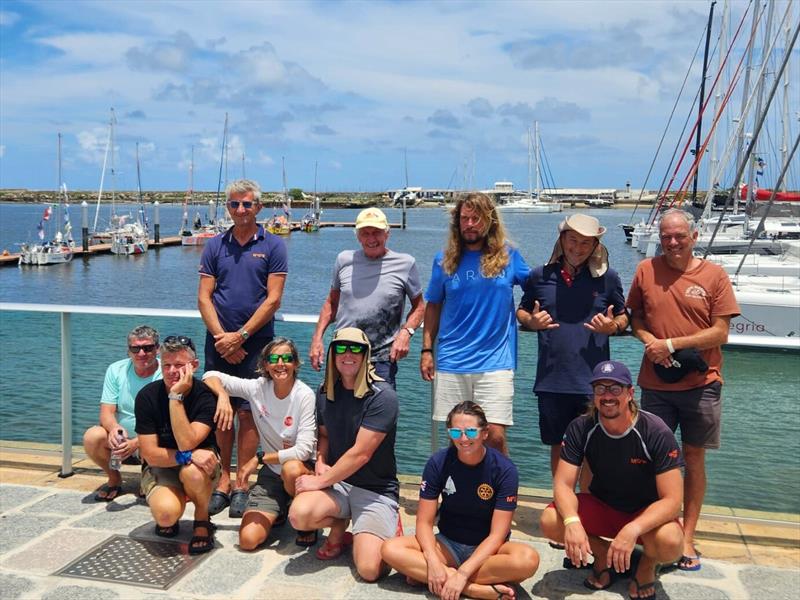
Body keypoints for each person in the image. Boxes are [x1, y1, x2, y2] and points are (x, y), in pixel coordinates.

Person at [627, 208, 739, 572]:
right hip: (655, 385)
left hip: (702, 383)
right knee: (652, 461)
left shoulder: (714, 274)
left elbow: (720, 332)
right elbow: (636, 319)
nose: (672, 243)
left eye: (679, 236)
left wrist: (671, 344)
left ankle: (687, 534)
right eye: (665, 237)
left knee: (693, 458)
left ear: (693, 235)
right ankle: (654, 531)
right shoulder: (646, 270)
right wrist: (649, 342)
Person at [540, 360, 684, 600]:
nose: (607, 396)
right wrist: (572, 522)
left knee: (670, 543)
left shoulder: (655, 431)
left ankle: (647, 563)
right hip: (604, 506)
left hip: (645, 513)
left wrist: (633, 529)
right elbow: (563, 484)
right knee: (550, 521)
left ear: (630, 393)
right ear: (593, 394)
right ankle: (602, 554)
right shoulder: (581, 427)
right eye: (600, 389)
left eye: (615, 388)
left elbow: (673, 500)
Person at [382, 401, 539, 600]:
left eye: (471, 432)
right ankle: (475, 589)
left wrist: (463, 573)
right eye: (456, 433)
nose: (464, 439)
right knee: (390, 549)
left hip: (488, 551)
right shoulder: (438, 462)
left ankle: (437, 577)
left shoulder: (505, 470)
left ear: (485, 433)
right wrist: (432, 560)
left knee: (528, 559)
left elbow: (497, 536)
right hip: (447, 544)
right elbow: (423, 522)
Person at [198, 178, 288, 518]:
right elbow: (204, 297)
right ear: (228, 208)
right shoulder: (214, 245)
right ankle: (222, 482)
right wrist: (223, 337)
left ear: (258, 207)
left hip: (257, 342)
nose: (240, 210)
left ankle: (241, 484)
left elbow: (273, 299)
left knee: (249, 413)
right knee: (222, 414)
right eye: (234, 204)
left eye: (247, 204)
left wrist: (242, 336)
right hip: (218, 340)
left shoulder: (274, 245)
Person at [516, 214, 628, 477]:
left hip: (594, 382)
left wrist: (613, 327)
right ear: (562, 239)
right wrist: (532, 321)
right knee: (559, 447)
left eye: (585, 243)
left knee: (592, 448)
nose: (577, 248)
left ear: (594, 246)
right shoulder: (539, 276)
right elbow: (521, 311)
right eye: (572, 240)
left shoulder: (608, 278)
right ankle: (563, 505)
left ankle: (587, 506)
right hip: (551, 380)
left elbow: (624, 315)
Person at [420, 192, 530, 454]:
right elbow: (433, 304)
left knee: (494, 436)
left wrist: (529, 315)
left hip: (496, 362)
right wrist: (426, 350)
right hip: (451, 361)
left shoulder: (509, 256)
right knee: (459, 437)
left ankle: (502, 494)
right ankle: (459, 493)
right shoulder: (444, 260)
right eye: (464, 218)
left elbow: (538, 288)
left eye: (476, 218)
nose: (470, 224)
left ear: (489, 221)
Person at [289, 327, 399, 582]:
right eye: (340, 348)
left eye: (356, 349)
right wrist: (321, 461)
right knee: (299, 516)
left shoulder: (383, 398)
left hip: (376, 489)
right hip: (340, 483)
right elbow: (325, 435)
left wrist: (319, 482)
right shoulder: (326, 391)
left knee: (370, 570)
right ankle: (341, 524)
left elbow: (361, 454)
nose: (348, 354)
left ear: (366, 355)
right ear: (332, 354)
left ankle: (385, 525)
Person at [202, 337, 318, 550]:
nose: (280, 364)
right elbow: (210, 375)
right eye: (274, 358)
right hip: (272, 474)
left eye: (287, 358)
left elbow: (303, 451)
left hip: (301, 470)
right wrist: (223, 397)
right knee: (247, 540)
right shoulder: (257, 388)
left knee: (291, 469)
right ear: (265, 364)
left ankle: (305, 517)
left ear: (295, 363)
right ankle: (281, 508)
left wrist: (259, 458)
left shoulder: (305, 395)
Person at [309, 207, 424, 387]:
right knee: (337, 413)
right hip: (342, 355)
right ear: (358, 236)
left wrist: (406, 333)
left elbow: (419, 307)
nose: (371, 239)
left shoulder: (405, 263)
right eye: (365, 233)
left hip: (382, 359)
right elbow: (331, 303)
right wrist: (317, 340)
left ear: (387, 234)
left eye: (377, 233)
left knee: (379, 413)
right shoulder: (343, 260)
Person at [135, 335, 222, 555]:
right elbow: (150, 454)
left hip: (201, 467)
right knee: (166, 516)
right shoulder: (147, 396)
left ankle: (202, 519)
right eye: (167, 365)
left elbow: (187, 441)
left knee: (193, 473)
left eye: (180, 366)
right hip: (164, 465)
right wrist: (188, 456)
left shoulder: (205, 396)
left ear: (194, 366)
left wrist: (175, 397)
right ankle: (172, 505)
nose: (172, 371)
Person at [83, 325, 162, 502]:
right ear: (129, 351)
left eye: (148, 348)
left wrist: (137, 442)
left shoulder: (165, 374)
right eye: (136, 348)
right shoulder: (115, 370)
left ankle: (148, 477)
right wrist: (114, 429)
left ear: (157, 349)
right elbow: (106, 412)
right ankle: (114, 478)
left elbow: (167, 422)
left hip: (153, 438)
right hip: (123, 439)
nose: (142, 353)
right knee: (92, 436)